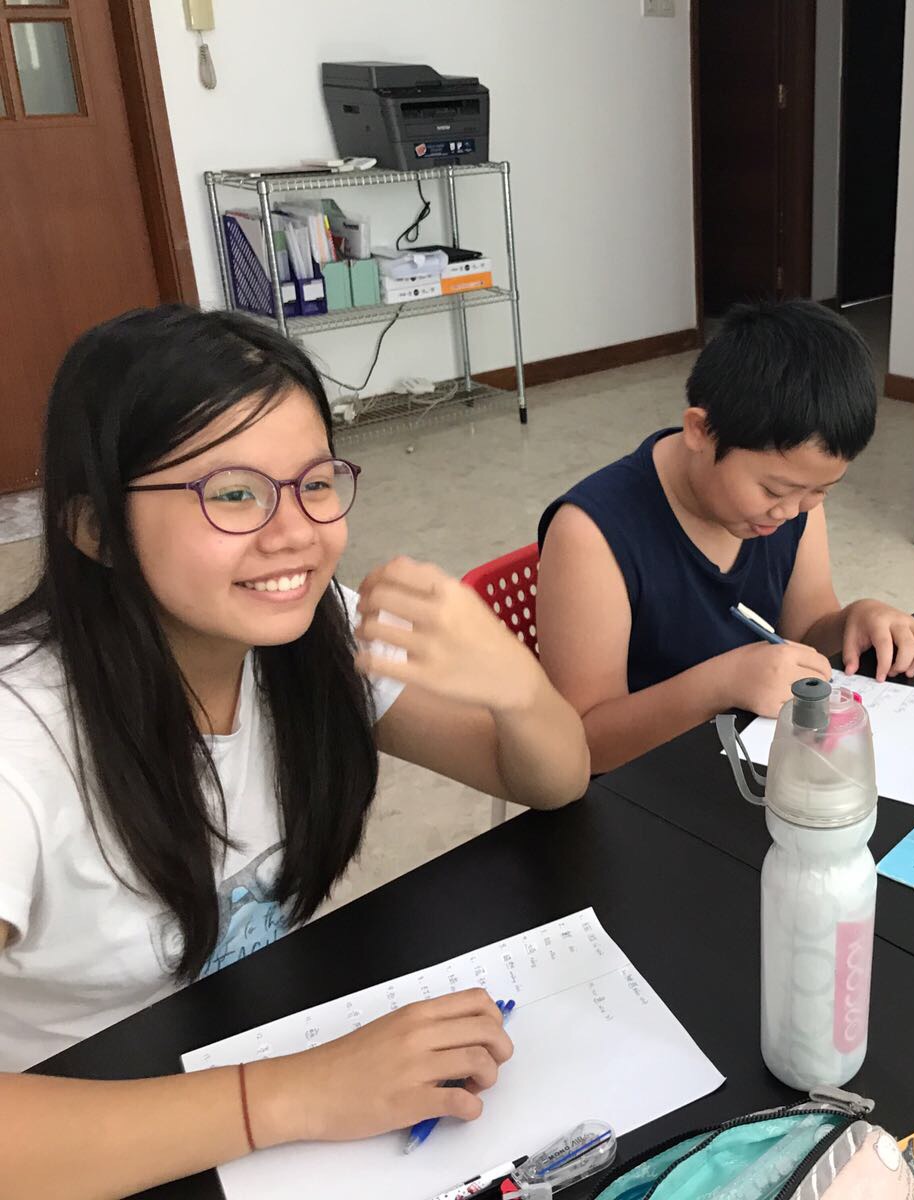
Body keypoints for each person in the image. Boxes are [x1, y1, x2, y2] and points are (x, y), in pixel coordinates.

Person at [0, 307, 590, 1196]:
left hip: (251, 1045)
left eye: (315, 482)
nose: (297, 534)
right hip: (87, 1136)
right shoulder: (19, 746)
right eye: (234, 493)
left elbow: (551, 781)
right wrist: (293, 1096)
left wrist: (518, 686)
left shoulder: (316, 632)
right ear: (95, 529)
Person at [536, 298, 914, 772]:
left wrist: (857, 620)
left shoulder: (792, 505)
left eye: (820, 491)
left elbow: (806, 632)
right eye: (774, 490)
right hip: (638, 784)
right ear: (700, 431)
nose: (790, 511)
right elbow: (582, 744)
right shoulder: (591, 535)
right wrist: (721, 684)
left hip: (744, 763)